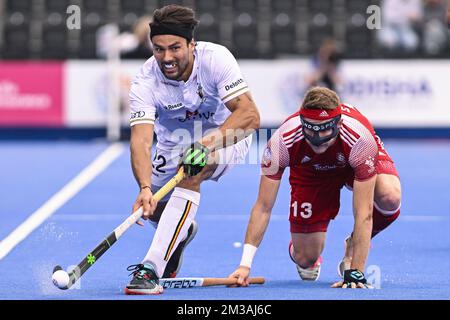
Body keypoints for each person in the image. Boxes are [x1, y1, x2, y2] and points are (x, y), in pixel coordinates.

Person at [125, 4, 260, 295]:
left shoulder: (216, 60)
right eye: (158, 49)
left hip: (225, 135)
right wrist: (145, 187)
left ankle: (150, 269)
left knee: (192, 169)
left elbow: (250, 115)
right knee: (157, 208)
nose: (167, 57)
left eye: (175, 48)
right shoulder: (145, 80)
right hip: (172, 142)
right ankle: (182, 232)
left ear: (191, 44)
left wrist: (204, 146)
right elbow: (141, 140)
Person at [229, 87, 401, 289]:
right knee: (305, 258)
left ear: (338, 123)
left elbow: (364, 212)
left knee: (390, 196)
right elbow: (263, 206)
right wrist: (245, 265)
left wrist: (356, 272)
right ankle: (304, 249)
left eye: (325, 130)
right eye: (310, 129)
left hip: (351, 158)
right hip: (310, 171)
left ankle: (353, 244)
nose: (317, 138)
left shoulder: (361, 140)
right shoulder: (280, 142)